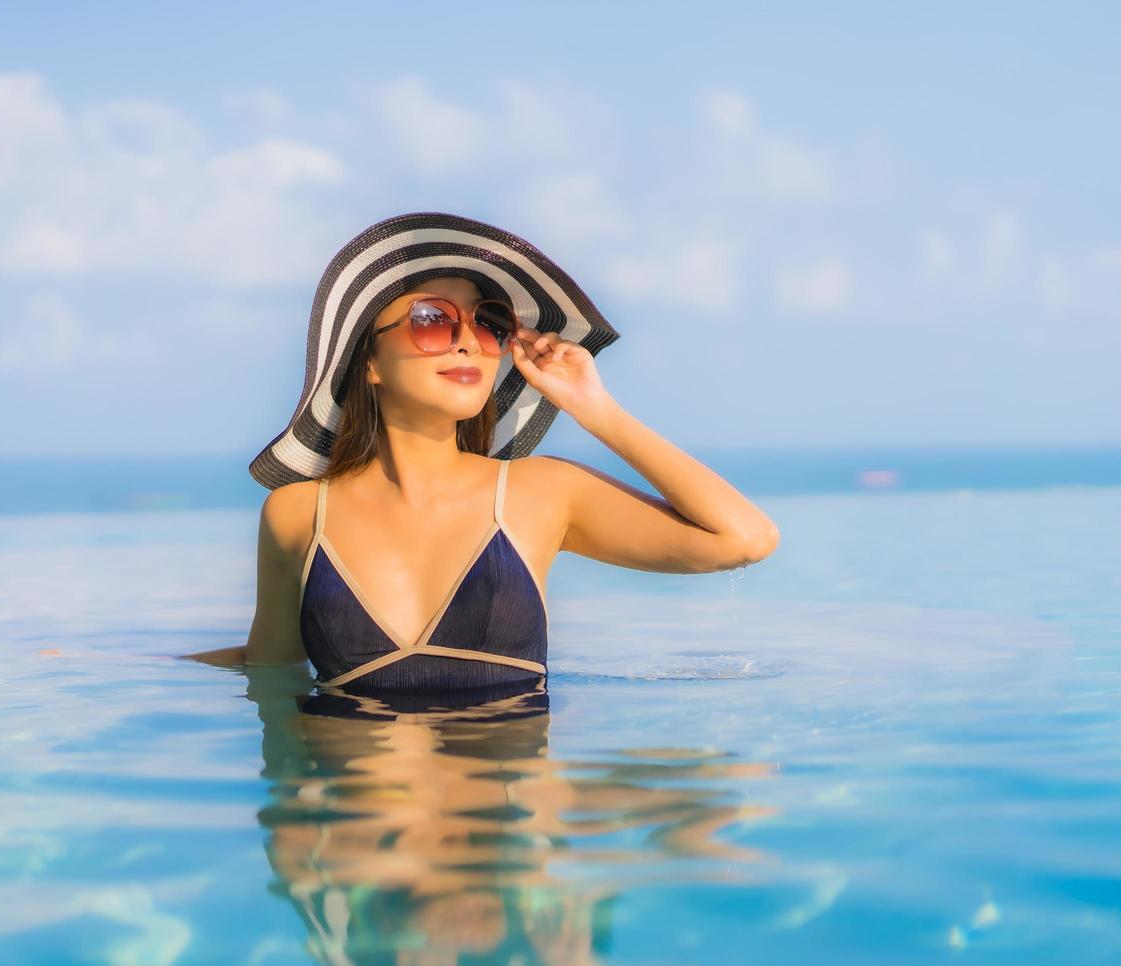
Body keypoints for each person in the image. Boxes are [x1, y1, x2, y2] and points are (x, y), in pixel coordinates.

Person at [182, 212, 778, 694]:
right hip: (357, 832)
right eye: (430, 320)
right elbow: (272, 670)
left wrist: (593, 407)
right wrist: (132, 666)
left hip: (507, 832)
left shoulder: (539, 493)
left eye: (489, 324)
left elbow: (744, 539)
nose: (470, 339)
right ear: (368, 362)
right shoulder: (296, 513)